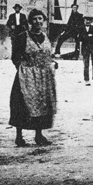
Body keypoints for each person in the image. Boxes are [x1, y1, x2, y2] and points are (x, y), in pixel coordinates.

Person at [9, 9, 58, 148]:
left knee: (42, 103)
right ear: (30, 21)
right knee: (22, 104)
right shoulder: (23, 36)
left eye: (40, 19)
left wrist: (52, 62)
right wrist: (23, 68)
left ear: (43, 20)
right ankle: (19, 136)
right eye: (35, 19)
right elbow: (15, 56)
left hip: (43, 76)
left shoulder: (45, 36)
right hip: (26, 75)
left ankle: (39, 134)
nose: (38, 22)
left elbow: (46, 54)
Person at [77, 15, 93, 86]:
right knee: (86, 65)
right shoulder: (80, 28)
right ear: (84, 21)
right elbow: (80, 38)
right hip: (85, 48)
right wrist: (88, 36)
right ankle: (87, 80)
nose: (87, 21)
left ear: (91, 21)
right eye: (86, 20)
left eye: (89, 20)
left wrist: (86, 36)